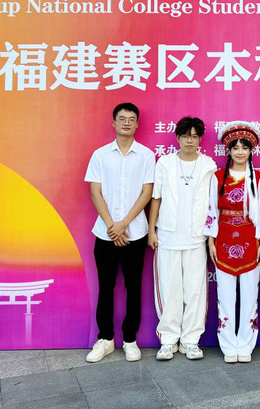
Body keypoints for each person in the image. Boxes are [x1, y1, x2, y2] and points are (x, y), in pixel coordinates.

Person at [85, 102, 156, 363]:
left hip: (135, 233)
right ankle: (105, 339)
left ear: (137, 124)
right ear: (113, 122)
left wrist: (124, 223)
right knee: (106, 287)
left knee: (133, 287)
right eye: (122, 118)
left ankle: (129, 340)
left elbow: (147, 192)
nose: (127, 122)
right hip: (105, 233)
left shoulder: (146, 155)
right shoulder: (100, 155)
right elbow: (95, 191)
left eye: (131, 119)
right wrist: (111, 226)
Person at [204, 121, 260, 363]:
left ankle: (245, 344)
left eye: (245, 147)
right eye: (235, 148)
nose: (240, 152)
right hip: (223, 238)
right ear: (229, 150)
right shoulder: (217, 177)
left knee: (250, 294)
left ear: (251, 150)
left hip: (250, 238)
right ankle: (228, 344)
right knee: (224, 295)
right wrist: (211, 240)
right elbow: (211, 209)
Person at [148, 116, 216, 360]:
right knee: (169, 289)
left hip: (196, 237)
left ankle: (190, 340)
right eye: (186, 136)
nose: (190, 140)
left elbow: (213, 205)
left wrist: (210, 236)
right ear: (177, 137)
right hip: (167, 236)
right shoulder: (165, 163)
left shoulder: (208, 166)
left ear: (200, 139)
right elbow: (156, 198)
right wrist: (152, 230)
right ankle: (168, 340)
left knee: (195, 290)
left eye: (195, 136)